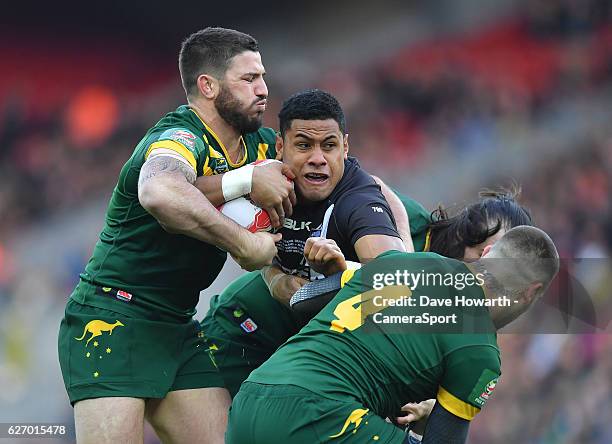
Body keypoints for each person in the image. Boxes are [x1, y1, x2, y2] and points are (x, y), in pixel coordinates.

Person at [57, 27, 296, 444]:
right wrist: (245, 244)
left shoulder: (258, 145)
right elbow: (159, 190)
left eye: (262, 77)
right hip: (111, 318)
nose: (263, 89)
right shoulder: (178, 136)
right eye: (249, 79)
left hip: (177, 327)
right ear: (208, 86)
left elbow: (334, 172)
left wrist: (394, 239)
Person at [226, 225, 560, 444]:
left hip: (253, 399)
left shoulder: (404, 264)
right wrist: (429, 418)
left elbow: (302, 300)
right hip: (319, 415)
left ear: (486, 254)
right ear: (531, 292)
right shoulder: (479, 350)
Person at [202, 185, 532, 396]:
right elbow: (325, 191)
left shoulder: (450, 314)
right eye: (486, 255)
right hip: (245, 329)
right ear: (469, 231)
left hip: (291, 372)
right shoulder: (404, 223)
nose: (486, 277)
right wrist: (274, 275)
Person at [201, 88, 407, 398]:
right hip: (242, 330)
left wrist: (344, 272)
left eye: (329, 146)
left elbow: (398, 285)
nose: (317, 159)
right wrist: (273, 277)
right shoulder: (259, 177)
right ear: (280, 147)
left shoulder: (358, 203)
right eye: (303, 145)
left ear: (345, 147)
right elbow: (184, 194)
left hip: (325, 347)